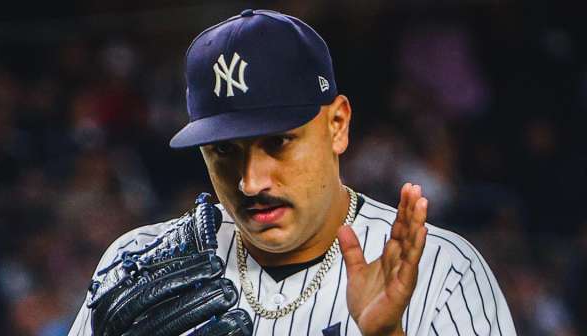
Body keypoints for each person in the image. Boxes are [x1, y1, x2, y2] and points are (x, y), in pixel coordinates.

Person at [68, 9, 516, 336]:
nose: (250, 181)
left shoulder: (443, 271)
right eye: (223, 149)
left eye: (277, 142)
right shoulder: (140, 265)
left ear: (337, 124)